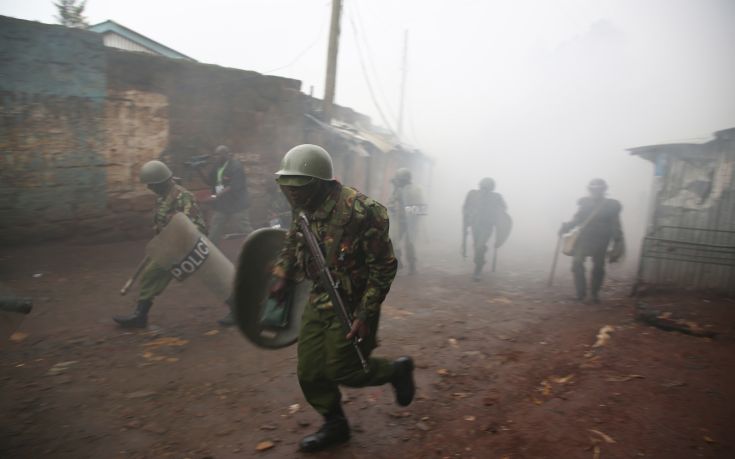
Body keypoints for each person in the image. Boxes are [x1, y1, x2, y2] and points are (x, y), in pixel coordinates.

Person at [269, 144, 415, 453]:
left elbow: (384, 267)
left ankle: (396, 371)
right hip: (319, 295)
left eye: (299, 189)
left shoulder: (362, 212)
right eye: (289, 189)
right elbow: (295, 238)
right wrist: (283, 272)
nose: (293, 196)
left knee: (344, 369)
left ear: (319, 183)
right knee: (309, 371)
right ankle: (335, 423)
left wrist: (365, 313)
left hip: (354, 302)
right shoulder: (303, 205)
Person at [113, 160, 232, 328]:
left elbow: (196, 227)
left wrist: (173, 226)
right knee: (151, 274)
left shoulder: (183, 197)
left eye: (151, 185)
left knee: (214, 276)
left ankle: (238, 309)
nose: (149, 188)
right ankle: (140, 315)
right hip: (171, 248)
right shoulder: (163, 197)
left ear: (161, 182)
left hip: (190, 248)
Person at [559, 178, 625, 303]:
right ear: (590, 190)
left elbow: (615, 224)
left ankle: (594, 294)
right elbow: (577, 219)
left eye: (599, 189)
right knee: (577, 263)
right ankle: (580, 293)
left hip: (601, 239)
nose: (596, 191)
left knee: (598, 266)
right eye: (593, 189)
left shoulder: (611, 205)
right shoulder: (585, 203)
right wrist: (566, 226)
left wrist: (617, 239)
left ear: (603, 190)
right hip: (584, 238)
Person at [197, 145, 252, 246]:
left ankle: (259, 242)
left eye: (219, 154)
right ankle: (210, 250)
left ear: (226, 154)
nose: (216, 157)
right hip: (222, 204)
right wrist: (199, 170)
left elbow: (232, 186)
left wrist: (215, 196)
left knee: (243, 227)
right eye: (215, 154)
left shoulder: (236, 166)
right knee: (215, 228)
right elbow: (209, 181)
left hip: (237, 203)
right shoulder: (217, 165)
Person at [462, 177, 507, 280]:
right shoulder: (473, 195)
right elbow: (466, 207)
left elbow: (503, 210)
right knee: (477, 246)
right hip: (475, 225)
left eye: (486, 188)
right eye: (482, 187)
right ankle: (480, 259)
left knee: (479, 246)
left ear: (491, 188)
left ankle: (478, 269)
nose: (484, 190)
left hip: (487, 227)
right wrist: (468, 218)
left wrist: (496, 213)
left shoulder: (496, 197)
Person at [387, 168, 426, 274]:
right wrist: (393, 207)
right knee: (393, 242)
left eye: (400, 180)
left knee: (409, 244)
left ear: (405, 179)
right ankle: (398, 262)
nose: (398, 182)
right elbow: (390, 203)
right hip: (400, 222)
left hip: (411, 223)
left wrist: (407, 211)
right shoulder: (398, 190)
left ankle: (412, 265)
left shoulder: (416, 190)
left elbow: (422, 209)